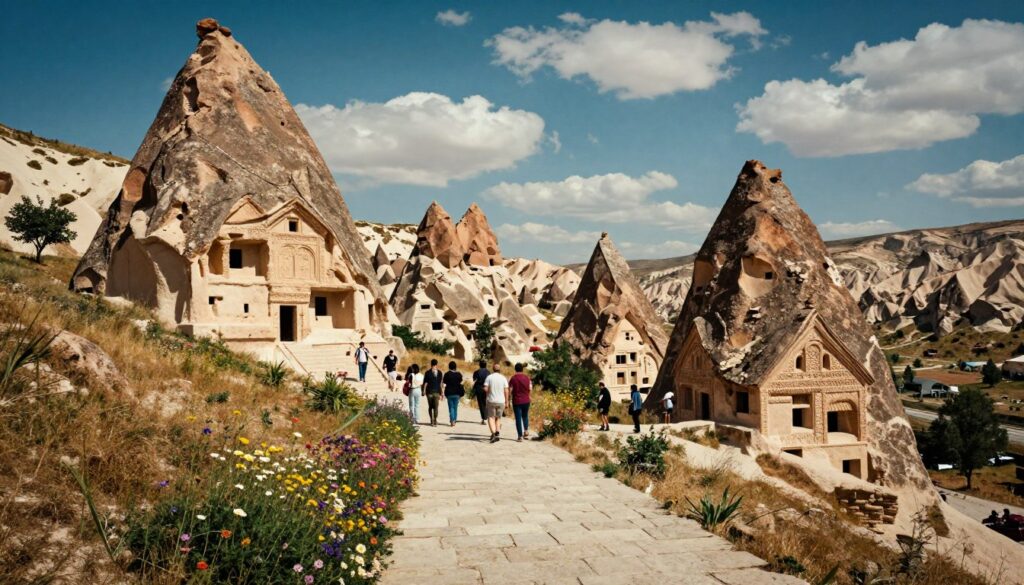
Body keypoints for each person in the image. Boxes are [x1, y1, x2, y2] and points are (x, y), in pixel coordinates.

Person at [484, 363, 510, 443]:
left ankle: (494, 434)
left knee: (491, 417)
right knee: (498, 418)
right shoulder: (503, 378)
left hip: (491, 400)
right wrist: (507, 401)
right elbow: (506, 390)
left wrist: (489, 392)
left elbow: (485, 389)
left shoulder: (489, 377)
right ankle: (497, 432)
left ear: (493, 369)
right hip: (501, 401)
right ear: (499, 369)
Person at [509, 363, 532, 442]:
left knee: (518, 418)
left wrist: (509, 399)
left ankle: (520, 436)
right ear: (522, 369)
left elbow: (510, 390)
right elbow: (530, 389)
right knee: (525, 416)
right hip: (526, 400)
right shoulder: (527, 378)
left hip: (517, 400)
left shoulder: (513, 378)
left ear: (515, 369)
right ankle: (526, 430)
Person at [442, 361, 464, 427]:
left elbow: (444, 382)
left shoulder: (447, 374)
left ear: (449, 367)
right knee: (455, 407)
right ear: (455, 367)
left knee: (451, 407)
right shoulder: (458, 374)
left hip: (449, 393)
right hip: (457, 393)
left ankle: (452, 420)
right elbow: (461, 381)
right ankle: (454, 420)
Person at [423, 359, 444, 426]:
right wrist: (442, 392)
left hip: (429, 392)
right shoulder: (440, 373)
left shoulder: (427, 372)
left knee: (430, 407)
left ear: (431, 364)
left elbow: (425, 383)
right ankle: (435, 420)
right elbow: (441, 384)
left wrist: (423, 391)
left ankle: (431, 420)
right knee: (436, 407)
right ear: (436, 364)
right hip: (437, 392)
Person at [472, 360, 490, 425]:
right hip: (487, 388)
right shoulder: (488, 372)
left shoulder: (476, 372)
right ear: (486, 365)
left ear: (479, 365)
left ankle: (483, 418)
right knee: (486, 403)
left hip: (479, 388)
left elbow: (474, 380)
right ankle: (487, 417)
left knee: (481, 404)